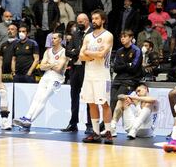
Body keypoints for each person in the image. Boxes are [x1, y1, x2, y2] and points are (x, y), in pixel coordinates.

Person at [13, 32, 68, 130]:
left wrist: (48, 64)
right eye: (52, 38)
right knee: (37, 97)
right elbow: (42, 67)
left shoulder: (64, 52)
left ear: (60, 40)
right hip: (47, 76)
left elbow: (59, 68)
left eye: (55, 38)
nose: (52, 40)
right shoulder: (47, 51)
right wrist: (52, 65)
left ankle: (29, 119)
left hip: (57, 78)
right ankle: (27, 118)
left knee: (44, 98)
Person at [79, 9, 114, 144]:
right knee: (91, 103)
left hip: (102, 74)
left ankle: (109, 132)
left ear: (103, 20)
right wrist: (91, 53)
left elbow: (101, 55)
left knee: (104, 103)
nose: (94, 21)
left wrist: (88, 53)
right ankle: (96, 133)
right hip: (89, 74)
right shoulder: (87, 37)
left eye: (96, 18)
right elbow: (81, 56)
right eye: (92, 18)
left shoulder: (108, 36)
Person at [61, 13, 92, 133]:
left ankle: (90, 124)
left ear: (87, 21)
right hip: (74, 68)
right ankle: (73, 123)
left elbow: (87, 50)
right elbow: (67, 52)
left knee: (89, 97)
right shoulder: (75, 34)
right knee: (74, 96)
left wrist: (76, 51)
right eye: (78, 21)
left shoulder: (92, 34)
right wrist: (77, 52)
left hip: (87, 68)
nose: (79, 24)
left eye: (82, 21)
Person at [110, 29, 143, 136]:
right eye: (121, 37)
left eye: (125, 37)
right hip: (118, 79)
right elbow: (115, 68)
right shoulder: (119, 51)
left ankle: (109, 127)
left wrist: (123, 66)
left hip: (130, 80)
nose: (122, 39)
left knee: (117, 99)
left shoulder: (137, 50)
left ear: (131, 38)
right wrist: (126, 65)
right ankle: (109, 127)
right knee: (112, 102)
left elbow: (134, 67)